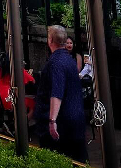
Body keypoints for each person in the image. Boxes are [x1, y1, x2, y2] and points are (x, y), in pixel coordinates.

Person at [34, 24, 87, 162]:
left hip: (61, 124)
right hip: (75, 119)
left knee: (56, 160)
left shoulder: (56, 63)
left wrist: (52, 121)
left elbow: (57, 92)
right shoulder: (69, 60)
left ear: (50, 40)